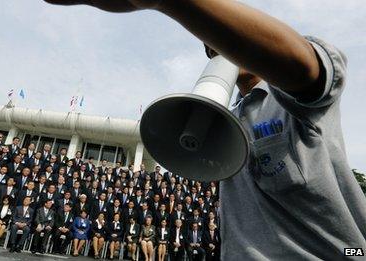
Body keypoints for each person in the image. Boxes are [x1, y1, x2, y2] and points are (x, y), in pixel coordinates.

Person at [43, 0, 366, 259]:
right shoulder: (219, 127)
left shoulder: (296, 104)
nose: (220, 49)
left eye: (229, 41)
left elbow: (304, 65)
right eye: (212, 45)